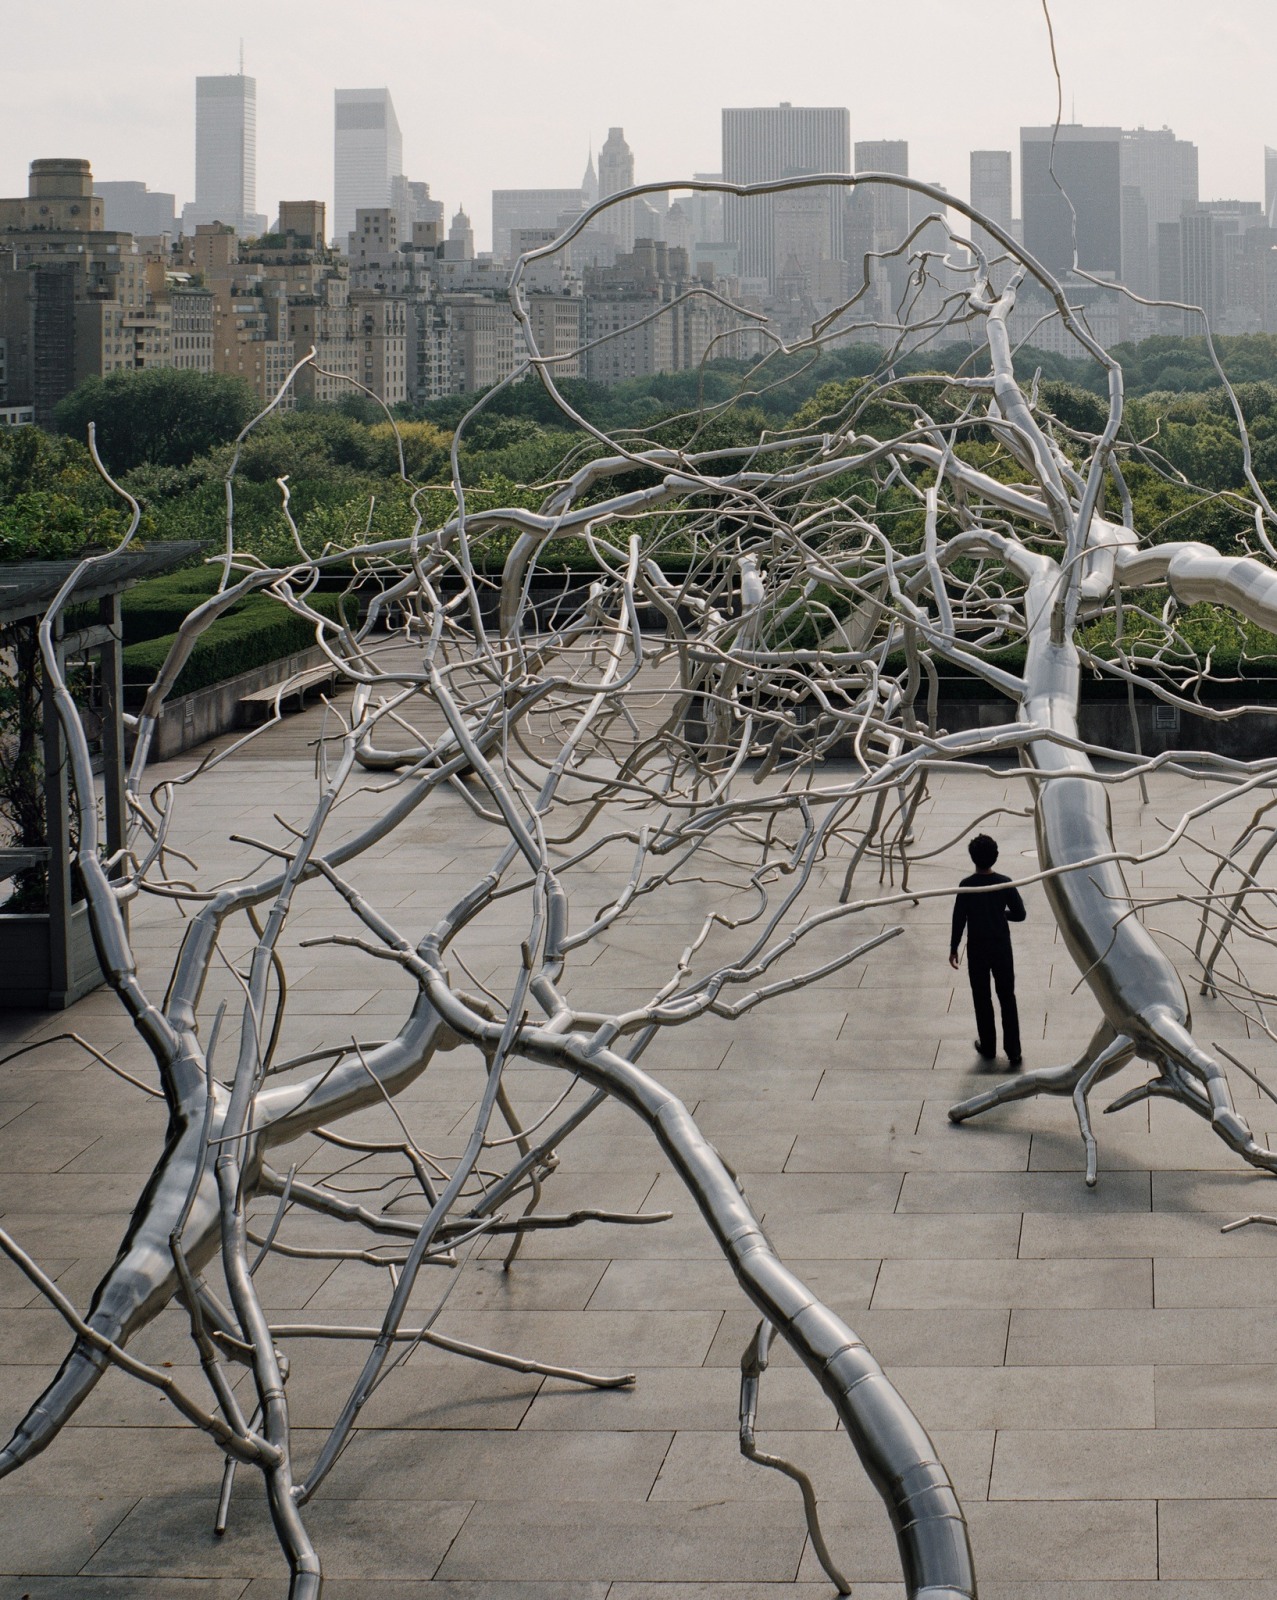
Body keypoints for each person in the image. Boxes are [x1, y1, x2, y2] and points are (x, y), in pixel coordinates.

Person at [948, 833, 1027, 1066]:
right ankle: (1013, 1050)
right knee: (1007, 997)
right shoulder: (1005, 883)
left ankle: (988, 1045)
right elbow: (1020, 914)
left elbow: (958, 919)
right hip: (1001, 947)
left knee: (981, 997)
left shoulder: (967, 886)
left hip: (977, 949)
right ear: (996, 856)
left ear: (972, 858)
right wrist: (1001, 914)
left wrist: (954, 947)